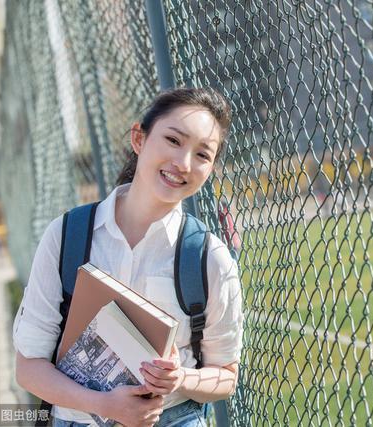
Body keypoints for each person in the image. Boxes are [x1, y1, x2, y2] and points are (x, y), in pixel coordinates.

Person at [12, 88, 243, 427]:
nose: (183, 163)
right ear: (139, 138)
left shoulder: (210, 259)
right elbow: (28, 367)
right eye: (174, 141)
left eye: (202, 155)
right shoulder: (66, 235)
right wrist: (104, 405)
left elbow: (226, 375)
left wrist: (181, 379)